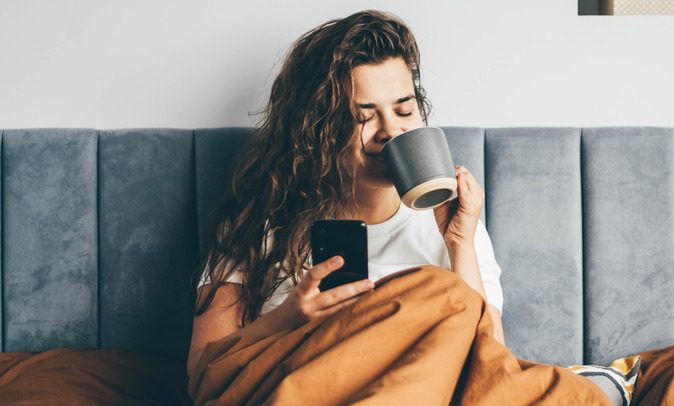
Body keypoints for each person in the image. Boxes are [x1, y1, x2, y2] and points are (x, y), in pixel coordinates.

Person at [187, 10, 505, 380]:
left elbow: (493, 370)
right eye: (363, 117)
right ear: (316, 128)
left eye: (404, 109)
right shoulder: (257, 224)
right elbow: (200, 376)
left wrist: (460, 244)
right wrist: (285, 320)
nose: (391, 131)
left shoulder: (457, 225)